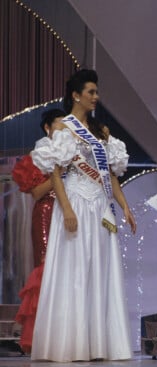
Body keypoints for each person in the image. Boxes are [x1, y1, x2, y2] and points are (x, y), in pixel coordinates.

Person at [30, 69, 137, 362]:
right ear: (76, 95)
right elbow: (55, 172)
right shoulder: (64, 128)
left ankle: (100, 343)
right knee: (75, 270)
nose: (96, 97)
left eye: (97, 92)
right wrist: (65, 209)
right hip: (76, 201)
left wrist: (125, 206)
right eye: (91, 92)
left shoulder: (100, 131)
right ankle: (72, 343)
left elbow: (111, 176)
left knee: (101, 270)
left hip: (100, 207)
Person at [11, 109, 66, 354]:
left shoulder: (72, 153)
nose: (65, 129)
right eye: (60, 125)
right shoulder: (40, 154)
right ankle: (40, 336)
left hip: (69, 214)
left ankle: (65, 334)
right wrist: (58, 175)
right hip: (46, 213)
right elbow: (36, 193)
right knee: (46, 269)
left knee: (66, 272)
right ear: (47, 128)